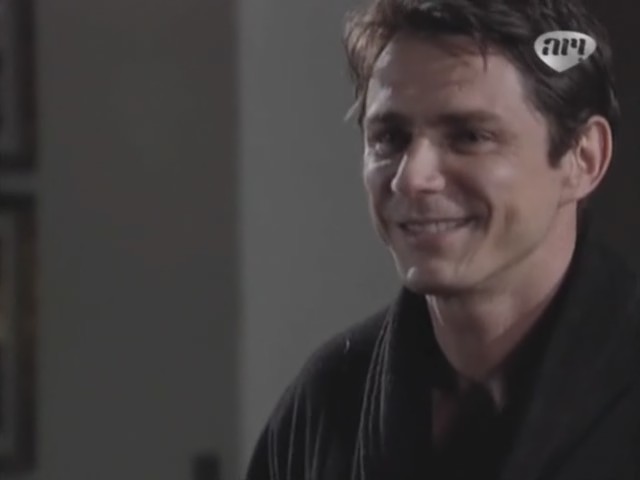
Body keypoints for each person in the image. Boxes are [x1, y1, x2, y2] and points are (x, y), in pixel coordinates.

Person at [245, 0, 640, 478]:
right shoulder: (329, 401)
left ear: (583, 159)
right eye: (390, 138)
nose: (412, 178)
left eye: (469, 136)